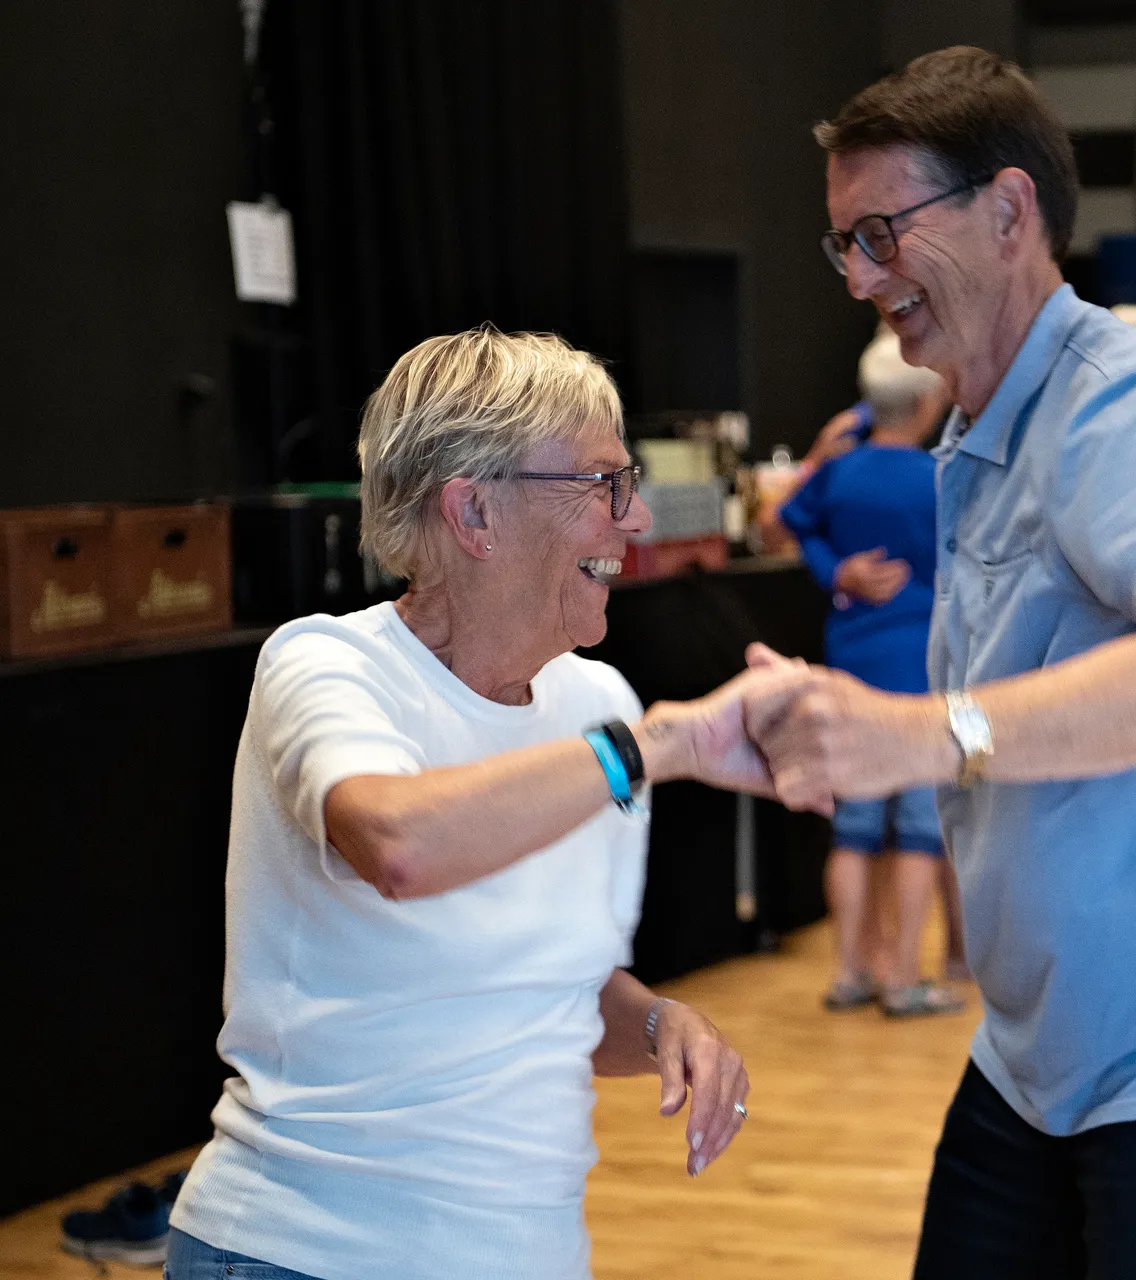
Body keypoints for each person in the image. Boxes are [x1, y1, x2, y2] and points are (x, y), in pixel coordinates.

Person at [745, 47, 1136, 1279]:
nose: (861, 278)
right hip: (1032, 1056)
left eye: (882, 233)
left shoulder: (1123, 405)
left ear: (1010, 209)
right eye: (843, 245)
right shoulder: (978, 424)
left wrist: (919, 732)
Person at [164, 328, 801, 1280]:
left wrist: (669, 1026)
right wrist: (664, 747)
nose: (632, 522)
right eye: (602, 484)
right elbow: (403, 843)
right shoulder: (327, 666)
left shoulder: (597, 707)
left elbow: (554, 990)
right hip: (301, 1256)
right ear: (475, 513)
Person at [779, 331, 967, 1017]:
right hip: (923, 670)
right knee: (919, 828)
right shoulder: (940, 477)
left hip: (852, 662)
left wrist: (838, 575)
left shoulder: (839, 470)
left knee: (854, 827)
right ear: (924, 401)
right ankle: (905, 977)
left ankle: (850, 971)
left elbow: (791, 519)